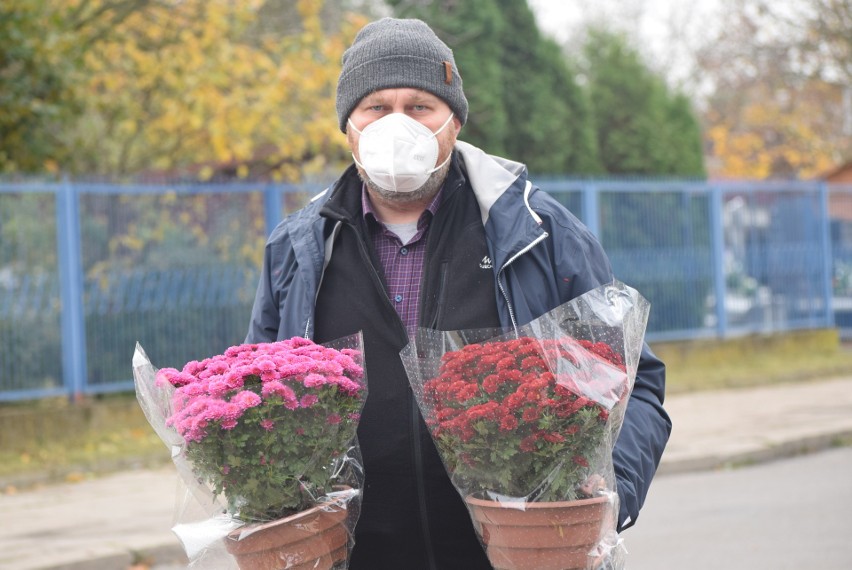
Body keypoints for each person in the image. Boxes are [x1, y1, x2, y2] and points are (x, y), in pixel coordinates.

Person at [246, 17, 671, 570]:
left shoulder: (537, 232)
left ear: (453, 120)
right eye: (377, 107)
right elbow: (255, 402)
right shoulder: (298, 249)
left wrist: (608, 492)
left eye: (419, 105)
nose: (397, 125)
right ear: (348, 125)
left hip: (519, 556)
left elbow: (634, 386)